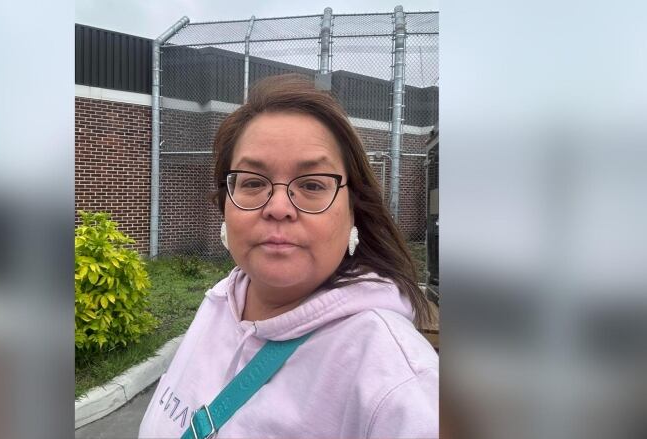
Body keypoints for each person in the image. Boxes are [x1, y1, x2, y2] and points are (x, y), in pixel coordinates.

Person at [139, 74, 438, 438]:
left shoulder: (399, 383)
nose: (278, 207)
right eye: (252, 182)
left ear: (354, 210)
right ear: (225, 205)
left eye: (312, 185)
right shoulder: (220, 301)